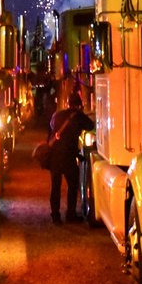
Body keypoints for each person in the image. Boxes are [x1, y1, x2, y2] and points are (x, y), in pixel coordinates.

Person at [46, 92, 94, 224]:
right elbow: (91, 126)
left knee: (55, 186)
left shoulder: (57, 115)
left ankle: (55, 215)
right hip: (68, 156)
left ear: (68, 103)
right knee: (73, 185)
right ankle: (70, 214)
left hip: (55, 156)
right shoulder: (78, 116)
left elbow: (50, 131)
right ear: (79, 105)